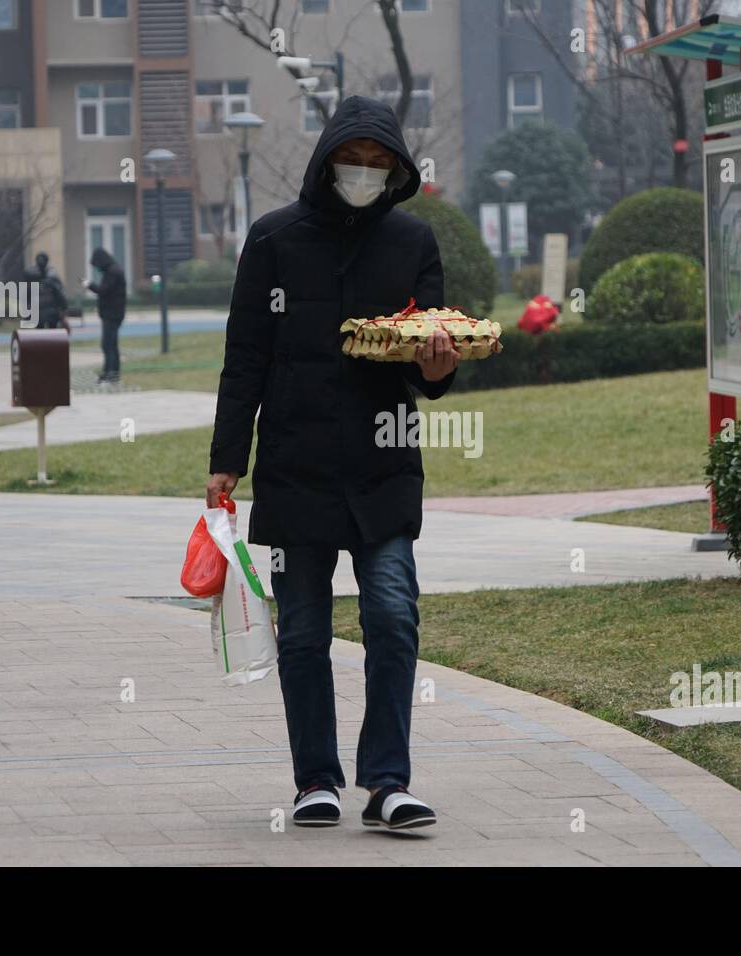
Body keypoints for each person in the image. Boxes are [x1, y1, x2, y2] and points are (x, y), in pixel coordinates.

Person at [205, 96, 460, 831]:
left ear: (398, 172)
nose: (365, 174)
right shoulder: (273, 240)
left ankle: (387, 782)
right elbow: (243, 359)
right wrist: (228, 459)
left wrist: (437, 364)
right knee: (306, 631)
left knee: (392, 614)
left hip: (383, 467)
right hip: (296, 467)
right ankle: (316, 780)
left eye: (381, 165)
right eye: (356, 161)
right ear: (327, 161)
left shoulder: (413, 243)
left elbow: (432, 365)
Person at [85, 248, 126, 384]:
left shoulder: (112, 273)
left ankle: (111, 374)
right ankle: (111, 372)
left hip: (112, 314)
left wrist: (89, 285)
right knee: (110, 344)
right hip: (112, 313)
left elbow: (103, 290)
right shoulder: (113, 271)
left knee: (108, 345)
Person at [27, 251, 70, 331]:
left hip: (47, 312)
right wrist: (64, 308)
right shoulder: (51, 277)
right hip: (46, 312)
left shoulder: (50, 277)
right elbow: (61, 294)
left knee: (44, 334)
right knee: (49, 334)